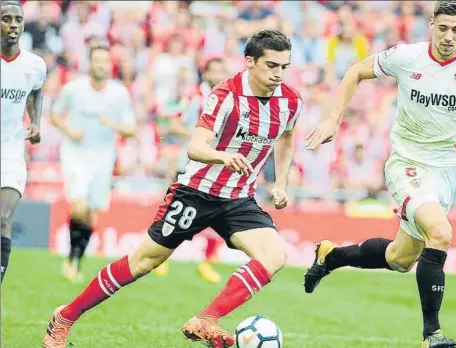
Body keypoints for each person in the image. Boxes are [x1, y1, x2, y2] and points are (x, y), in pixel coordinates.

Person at [43, 29, 302, 348]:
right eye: (271, 66)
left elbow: (287, 137)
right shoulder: (225, 96)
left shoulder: (291, 101)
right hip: (196, 192)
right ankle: (65, 316)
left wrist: (281, 183)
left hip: (238, 198)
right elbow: (195, 147)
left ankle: (206, 319)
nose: (278, 74)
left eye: (283, 67)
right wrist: (223, 156)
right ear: (250, 62)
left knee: (275, 255)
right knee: (143, 263)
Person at [303, 1, 456, 347]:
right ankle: (433, 335)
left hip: (445, 171)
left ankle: (331, 256)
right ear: (431, 24)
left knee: (400, 260)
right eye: (442, 28)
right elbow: (354, 71)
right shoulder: (407, 56)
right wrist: (331, 120)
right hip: (407, 163)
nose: (448, 36)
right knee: (440, 233)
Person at [50, 45, 137, 283]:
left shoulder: (119, 94)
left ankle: (75, 260)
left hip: (103, 156)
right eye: (96, 60)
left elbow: (131, 130)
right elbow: (55, 115)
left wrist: (113, 124)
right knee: (78, 206)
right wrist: (69, 129)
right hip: (75, 152)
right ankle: (71, 259)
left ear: (111, 66)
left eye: (105, 61)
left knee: (91, 214)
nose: (100, 65)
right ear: (89, 63)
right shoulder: (73, 89)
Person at [154, 57, 230, 283]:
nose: (217, 74)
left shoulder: (230, 99)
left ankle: (207, 261)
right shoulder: (194, 97)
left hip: (215, 162)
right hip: (190, 162)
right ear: (204, 73)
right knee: (177, 208)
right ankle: (161, 255)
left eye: (221, 69)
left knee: (219, 207)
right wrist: (198, 137)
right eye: (212, 70)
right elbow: (173, 125)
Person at [1, 1, 47, 284]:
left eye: (18, 19)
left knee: (3, 217)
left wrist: (36, 122)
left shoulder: (35, 65)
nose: (14, 25)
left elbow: (36, 91)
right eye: (6, 19)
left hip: (10, 151)